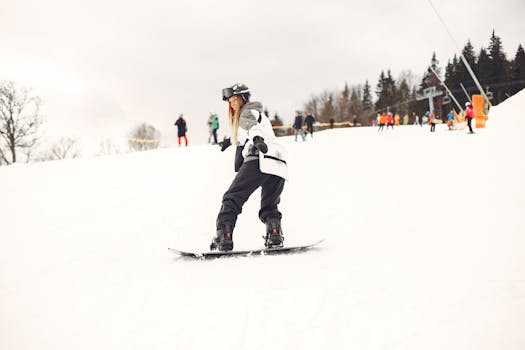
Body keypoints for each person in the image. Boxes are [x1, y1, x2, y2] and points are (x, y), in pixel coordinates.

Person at [210, 83, 288, 251]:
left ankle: (223, 236)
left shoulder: (247, 112)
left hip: (259, 159)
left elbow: (253, 128)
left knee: (232, 197)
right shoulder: (259, 114)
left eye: (234, 99)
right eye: (229, 101)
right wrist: (229, 142)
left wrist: (258, 139)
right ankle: (274, 233)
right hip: (278, 161)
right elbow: (245, 133)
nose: (231, 104)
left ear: (243, 99)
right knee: (269, 204)